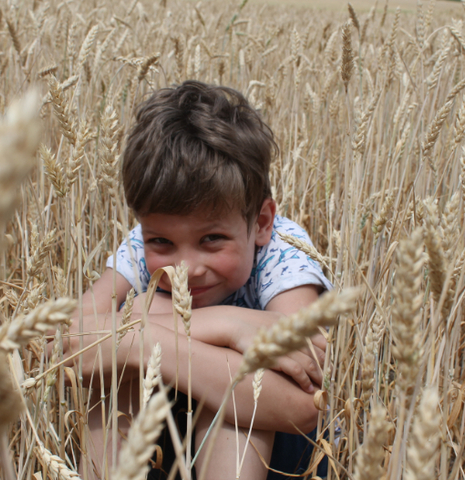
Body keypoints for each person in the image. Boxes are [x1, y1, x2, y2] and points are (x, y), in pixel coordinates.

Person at [64, 80, 333, 480]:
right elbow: (65, 345)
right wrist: (224, 327)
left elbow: (304, 407)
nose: (185, 268)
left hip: (277, 455)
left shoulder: (283, 254)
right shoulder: (141, 246)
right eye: (161, 241)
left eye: (211, 239)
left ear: (261, 223)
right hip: (167, 439)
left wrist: (141, 329)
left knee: (237, 403)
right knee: (121, 378)